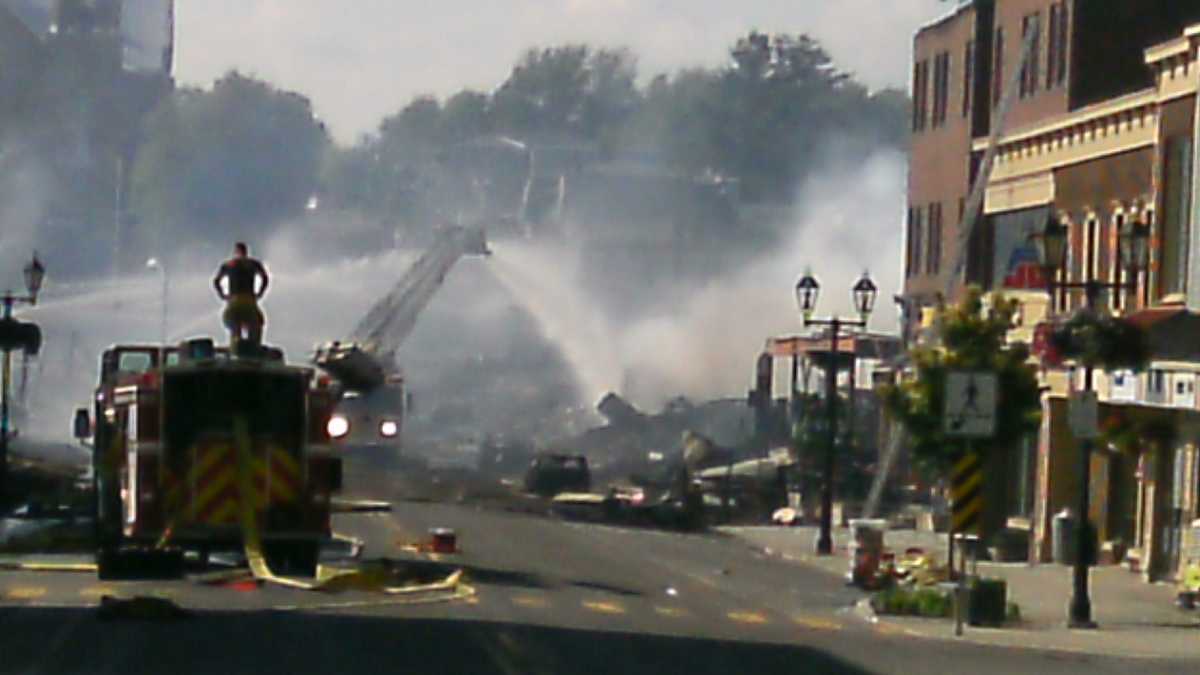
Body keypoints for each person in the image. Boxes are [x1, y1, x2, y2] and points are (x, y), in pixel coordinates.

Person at [212, 242, 269, 348]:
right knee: (256, 325)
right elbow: (265, 278)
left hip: (234, 301)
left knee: (235, 328)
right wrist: (260, 293)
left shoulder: (229, 264)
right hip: (249, 301)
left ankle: (236, 347)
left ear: (235, 252)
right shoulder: (253, 264)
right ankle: (254, 349)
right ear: (246, 251)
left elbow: (216, 281)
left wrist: (223, 295)